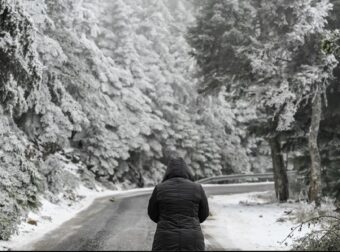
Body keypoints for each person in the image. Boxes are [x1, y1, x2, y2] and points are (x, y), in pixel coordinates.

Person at [147, 157, 209, 251]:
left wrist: (164, 221)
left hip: (165, 239)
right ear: (187, 171)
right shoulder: (197, 188)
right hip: (193, 238)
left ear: (168, 172)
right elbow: (204, 214)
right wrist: (192, 221)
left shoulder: (160, 188)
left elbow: (152, 213)